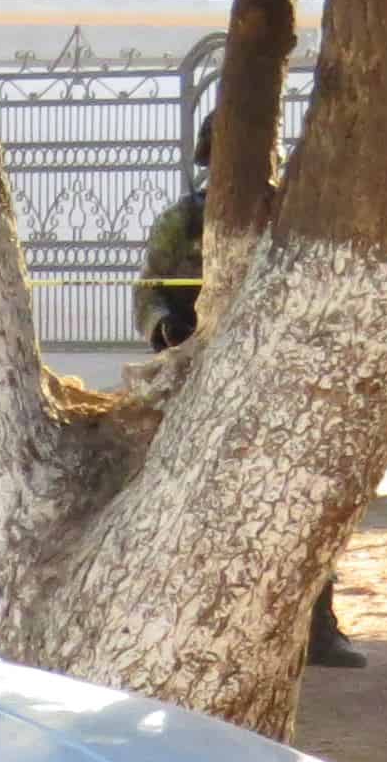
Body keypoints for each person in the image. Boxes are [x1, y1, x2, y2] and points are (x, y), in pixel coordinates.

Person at [140, 112, 364, 670]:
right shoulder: (183, 221)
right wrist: (165, 327)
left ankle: (317, 629)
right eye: (221, 155)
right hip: (197, 375)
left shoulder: (292, 218)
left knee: (300, 500)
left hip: (278, 375)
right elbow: (148, 288)